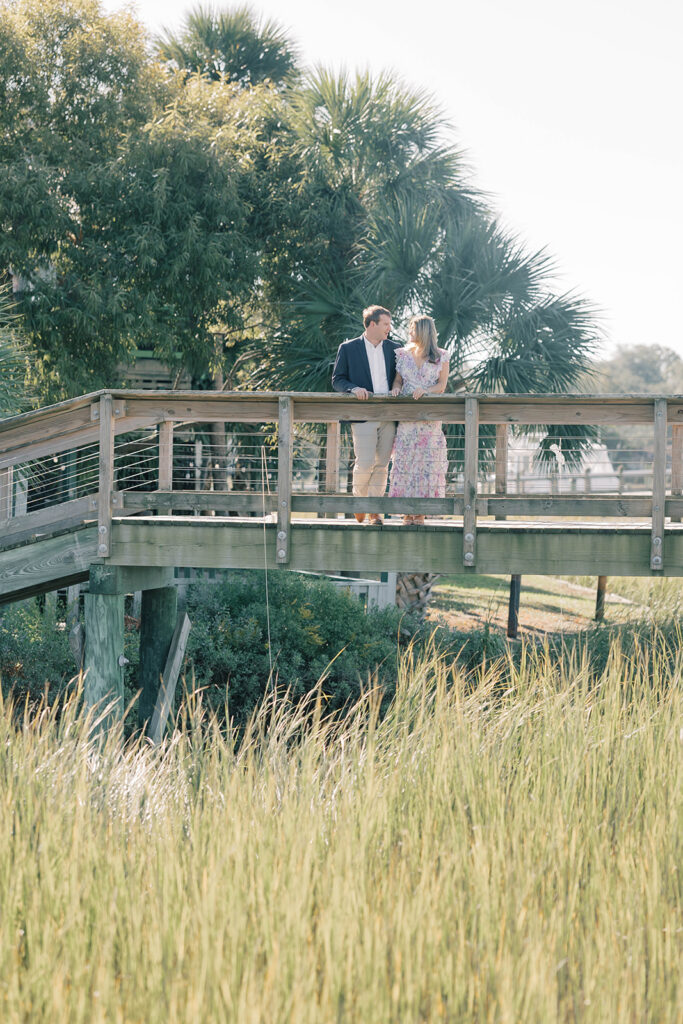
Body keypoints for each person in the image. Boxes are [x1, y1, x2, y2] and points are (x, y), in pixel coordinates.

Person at [332, 305, 401, 525]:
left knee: (382, 464)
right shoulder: (348, 348)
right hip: (362, 414)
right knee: (365, 462)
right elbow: (338, 379)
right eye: (385, 324)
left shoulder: (395, 349)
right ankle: (359, 503)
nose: (389, 329)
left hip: (388, 414)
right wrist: (353, 389)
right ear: (372, 324)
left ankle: (375, 511)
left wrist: (398, 387)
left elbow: (401, 377)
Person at [388, 315, 449, 525]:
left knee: (426, 464)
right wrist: (396, 389)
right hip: (406, 418)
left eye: (412, 329)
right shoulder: (403, 355)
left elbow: (442, 386)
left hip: (429, 420)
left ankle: (421, 513)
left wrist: (426, 390)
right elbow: (398, 380)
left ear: (422, 331)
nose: (409, 333)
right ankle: (406, 512)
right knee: (405, 462)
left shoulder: (441, 356)